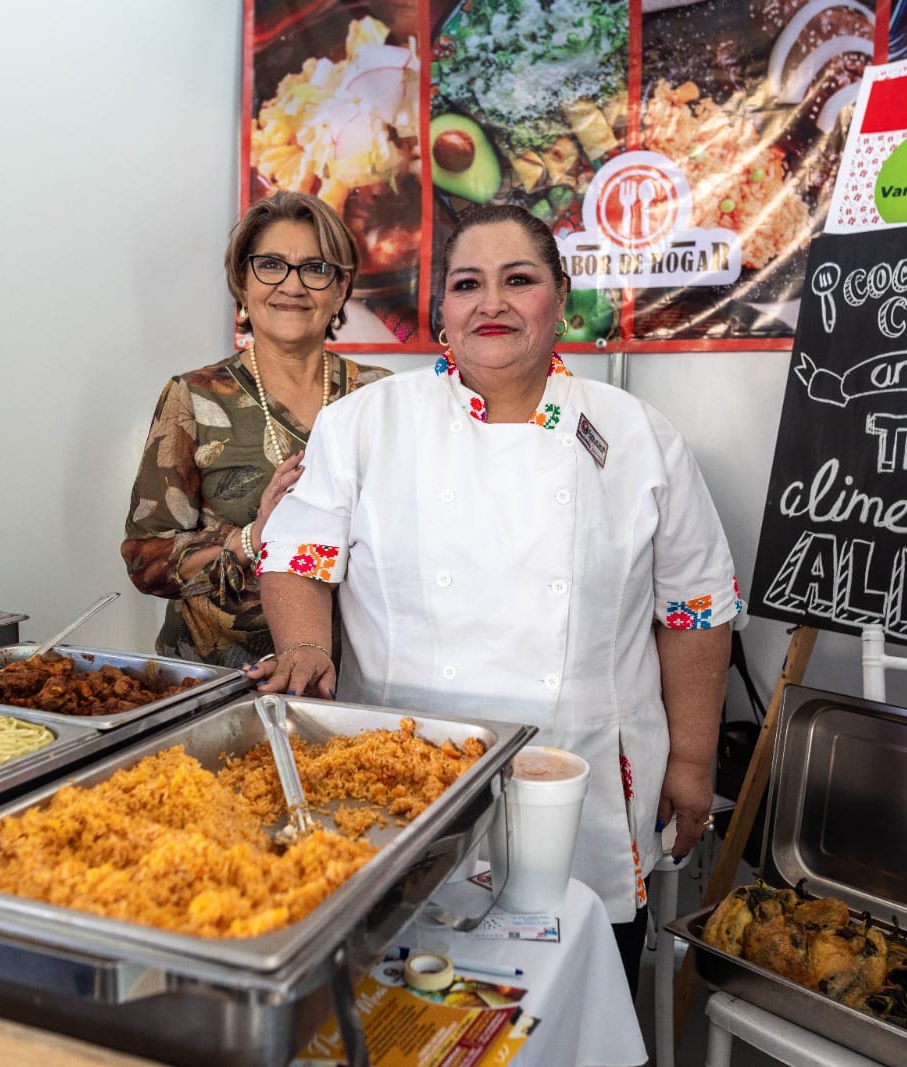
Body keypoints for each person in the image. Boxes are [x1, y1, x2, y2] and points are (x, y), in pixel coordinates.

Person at [251, 204, 741, 995]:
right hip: (403, 782)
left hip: (579, 779)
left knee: (573, 995)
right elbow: (299, 556)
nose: (492, 303)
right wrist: (307, 646)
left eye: (519, 280)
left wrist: (689, 759)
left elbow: (694, 610)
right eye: (467, 284)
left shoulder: (637, 434)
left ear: (561, 298)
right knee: (403, 1007)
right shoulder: (364, 424)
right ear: (440, 309)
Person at [121, 192, 390, 667]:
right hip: (219, 677)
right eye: (271, 264)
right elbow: (146, 559)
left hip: (355, 674)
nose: (292, 285)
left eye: (315, 268)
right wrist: (249, 540)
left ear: (341, 288)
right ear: (242, 282)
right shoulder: (193, 397)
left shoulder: (381, 397)